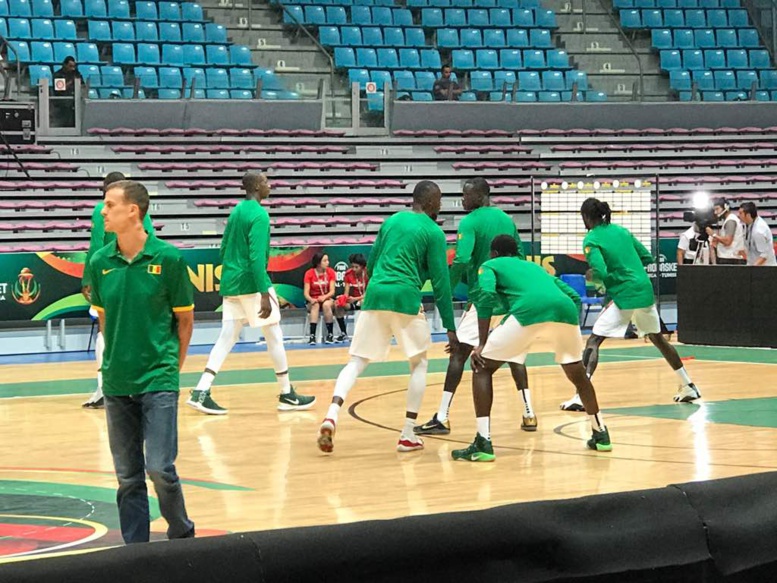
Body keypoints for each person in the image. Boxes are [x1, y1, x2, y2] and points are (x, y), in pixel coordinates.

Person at [86, 180, 195, 543]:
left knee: (159, 469)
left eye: (109, 204)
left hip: (158, 378)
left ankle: (182, 536)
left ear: (133, 211)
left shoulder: (169, 259)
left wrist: (170, 369)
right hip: (118, 381)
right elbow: (104, 318)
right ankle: (136, 552)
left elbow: (185, 320)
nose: (103, 211)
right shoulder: (100, 262)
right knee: (128, 477)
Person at [317, 181, 458, 454]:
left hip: (376, 294)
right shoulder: (434, 232)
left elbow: (372, 263)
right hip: (405, 296)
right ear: (429, 203)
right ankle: (407, 434)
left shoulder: (391, 221)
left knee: (357, 361)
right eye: (439, 201)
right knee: (418, 364)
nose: (440, 207)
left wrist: (375, 292)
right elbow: (441, 285)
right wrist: (451, 328)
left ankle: (331, 414)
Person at [452, 235, 612, 461]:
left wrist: (481, 343)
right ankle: (601, 433)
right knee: (577, 373)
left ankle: (483, 442)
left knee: (482, 367)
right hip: (565, 311)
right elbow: (574, 296)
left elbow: (486, 296)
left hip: (529, 311)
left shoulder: (489, 265)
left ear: (494, 253)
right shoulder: (533, 267)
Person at [415, 177, 537, 436]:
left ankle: (442, 416)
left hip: (484, 297)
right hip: (510, 299)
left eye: (467, 195)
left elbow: (461, 258)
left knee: (458, 353)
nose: (463, 199)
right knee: (514, 355)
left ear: (481, 196)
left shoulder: (469, 221)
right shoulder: (507, 219)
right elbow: (521, 257)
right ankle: (528, 413)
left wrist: (446, 287)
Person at [188, 173, 315, 415]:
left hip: (231, 281)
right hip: (250, 283)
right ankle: (287, 393)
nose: (270, 185)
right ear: (257, 186)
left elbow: (224, 247)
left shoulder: (236, 211)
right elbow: (257, 258)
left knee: (227, 337)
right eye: (266, 182)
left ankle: (201, 390)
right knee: (274, 335)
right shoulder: (259, 214)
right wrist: (264, 293)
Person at [560, 198, 701, 411]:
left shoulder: (592, 239)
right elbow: (646, 257)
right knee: (658, 339)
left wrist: (595, 278)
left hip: (625, 295)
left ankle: (581, 396)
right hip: (643, 290)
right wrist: (628, 268)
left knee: (594, 340)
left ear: (586, 217)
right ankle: (688, 385)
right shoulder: (622, 231)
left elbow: (599, 271)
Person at [81, 172, 154, 409]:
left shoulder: (99, 210)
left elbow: (95, 245)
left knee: (106, 328)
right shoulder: (139, 211)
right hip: (138, 272)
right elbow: (149, 237)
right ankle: (136, 384)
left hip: (109, 272)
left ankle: (104, 387)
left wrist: (87, 278)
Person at [303, 253, 339, 344]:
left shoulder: (330, 272)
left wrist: (324, 297)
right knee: (315, 306)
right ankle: (312, 336)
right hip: (313, 300)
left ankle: (330, 334)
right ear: (318, 263)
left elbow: (332, 292)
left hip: (327, 298)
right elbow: (306, 293)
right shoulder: (309, 273)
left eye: (328, 260)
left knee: (326, 305)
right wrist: (311, 299)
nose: (328, 262)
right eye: (325, 260)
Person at [334, 253, 369, 342]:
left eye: (356, 267)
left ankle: (365, 333)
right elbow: (346, 293)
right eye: (352, 266)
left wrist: (357, 299)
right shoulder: (348, 274)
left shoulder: (368, 273)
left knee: (363, 301)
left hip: (367, 300)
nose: (354, 269)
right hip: (354, 301)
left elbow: (370, 293)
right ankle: (343, 333)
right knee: (338, 304)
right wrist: (342, 298)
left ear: (362, 266)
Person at [707, 198, 746, 265]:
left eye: (717, 209)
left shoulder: (730, 221)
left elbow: (728, 241)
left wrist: (713, 234)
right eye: (714, 210)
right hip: (730, 258)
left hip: (730, 259)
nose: (715, 212)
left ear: (726, 207)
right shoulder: (729, 219)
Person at [738, 202, 776, 266]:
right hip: (753, 263)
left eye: (741, 213)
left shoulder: (759, 231)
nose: (739, 215)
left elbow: (764, 255)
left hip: (765, 268)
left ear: (748, 215)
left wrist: (753, 269)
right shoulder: (748, 224)